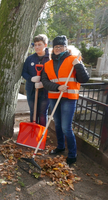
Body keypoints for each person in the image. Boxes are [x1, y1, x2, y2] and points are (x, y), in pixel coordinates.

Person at [41, 35, 89, 166]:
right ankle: (60, 147)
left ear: (65, 47)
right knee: (57, 124)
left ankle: (72, 154)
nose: (58, 48)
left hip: (69, 97)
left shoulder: (74, 59)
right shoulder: (48, 64)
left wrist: (78, 65)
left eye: (61, 46)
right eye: (56, 46)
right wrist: (57, 87)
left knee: (66, 127)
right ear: (53, 48)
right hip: (54, 96)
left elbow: (84, 79)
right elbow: (44, 82)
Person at [22, 34, 50, 127]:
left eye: (39, 44)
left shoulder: (50, 59)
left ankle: (41, 136)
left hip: (45, 92)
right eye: (35, 44)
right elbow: (24, 72)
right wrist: (31, 79)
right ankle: (33, 134)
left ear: (45, 45)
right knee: (33, 112)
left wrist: (44, 84)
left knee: (42, 114)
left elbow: (55, 75)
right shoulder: (30, 59)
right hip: (31, 90)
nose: (37, 47)